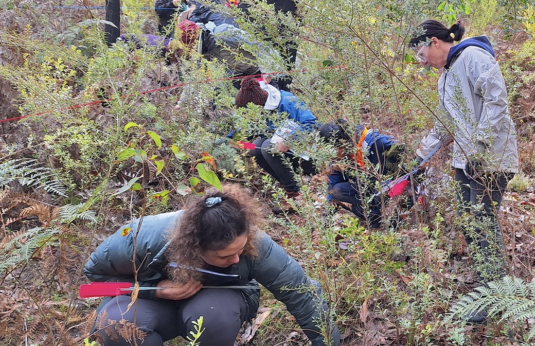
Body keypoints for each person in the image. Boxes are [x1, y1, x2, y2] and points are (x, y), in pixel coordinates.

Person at [84, 184, 340, 346]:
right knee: (115, 324)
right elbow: (91, 287)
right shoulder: (141, 238)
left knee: (213, 315)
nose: (236, 259)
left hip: (220, 299)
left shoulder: (255, 242)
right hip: (152, 302)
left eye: (240, 250)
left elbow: (303, 295)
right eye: (225, 257)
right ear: (195, 247)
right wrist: (154, 289)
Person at [408, 20, 518, 316]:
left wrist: (481, 147)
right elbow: (444, 124)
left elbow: (498, 102)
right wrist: (417, 155)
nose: (422, 62)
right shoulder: (444, 77)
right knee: (469, 222)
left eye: (420, 54)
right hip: (465, 160)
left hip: (491, 158)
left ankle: (495, 299)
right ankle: (488, 284)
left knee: (482, 223)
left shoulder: (473, 57)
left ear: (434, 42)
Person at [236, 77, 318, 212]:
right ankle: (289, 187)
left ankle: (297, 195)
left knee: (268, 147)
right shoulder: (262, 110)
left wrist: (290, 140)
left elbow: (313, 124)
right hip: (287, 156)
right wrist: (240, 144)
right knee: (255, 148)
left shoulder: (288, 101)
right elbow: (259, 135)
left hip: (309, 157)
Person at [319, 119, 405, 229]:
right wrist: (326, 219)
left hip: (390, 188)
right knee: (337, 191)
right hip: (369, 190)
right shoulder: (339, 157)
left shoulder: (376, 142)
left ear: (341, 143)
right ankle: (375, 219)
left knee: (382, 192)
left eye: (330, 150)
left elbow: (406, 161)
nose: (329, 155)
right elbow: (332, 189)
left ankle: (393, 219)